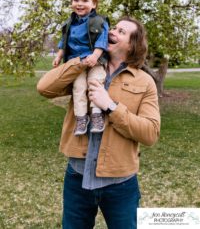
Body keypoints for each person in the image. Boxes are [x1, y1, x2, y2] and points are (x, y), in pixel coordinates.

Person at [37, 16, 160, 229]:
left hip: (120, 184)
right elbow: (44, 88)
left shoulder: (144, 81)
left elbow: (150, 133)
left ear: (132, 45)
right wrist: (82, 59)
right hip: (77, 178)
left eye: (121, 32)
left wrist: (110, 106)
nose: (112, 32)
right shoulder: (83, 69)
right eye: (113, 28)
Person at [53, 0, 109, 135]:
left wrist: (96, 55)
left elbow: (102, 40)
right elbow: (64, 42)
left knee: (95, 83)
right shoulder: (69, 23)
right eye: (76, 0)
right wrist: (59, 56)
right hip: (76, 62)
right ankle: (81, 118)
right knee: (78, 88)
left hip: (95, 61)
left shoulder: (100, 21)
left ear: (94, 4)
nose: (79, 4)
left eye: (85, 1)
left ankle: (97, 114)